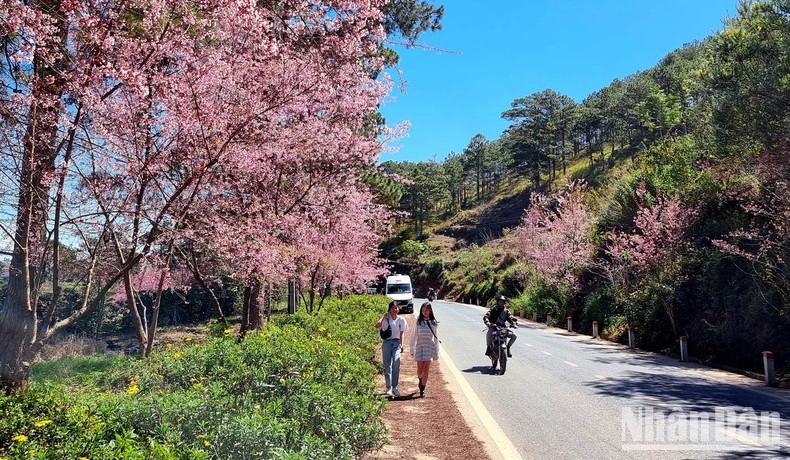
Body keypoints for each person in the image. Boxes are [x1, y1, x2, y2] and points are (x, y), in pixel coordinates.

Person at [375, 301, 409, 397]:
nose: (395, 309)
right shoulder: (386, 319)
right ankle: (389, 387)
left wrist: (402, 345)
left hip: (396, 343)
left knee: (396, 362)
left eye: (396, 308)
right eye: (393, 308)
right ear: (389, 309)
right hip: (387, 343)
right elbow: (377, 326)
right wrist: (383, 317)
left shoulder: (401, 320)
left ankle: (395, 387)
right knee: (387, 365)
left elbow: (402, 333)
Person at [409, 302, 440, 398]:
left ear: (430, 310)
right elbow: (413, 334)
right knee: (420, 370)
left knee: (426, 369)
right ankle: (420, 378)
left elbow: (436, 337)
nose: (424, 312)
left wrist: (436, 350)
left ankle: (422, 388)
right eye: (423, 310)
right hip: (420, 345)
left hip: (429, 346)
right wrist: (411, 348)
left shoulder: (433, 322)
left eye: (426, 310)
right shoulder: (418, 321)